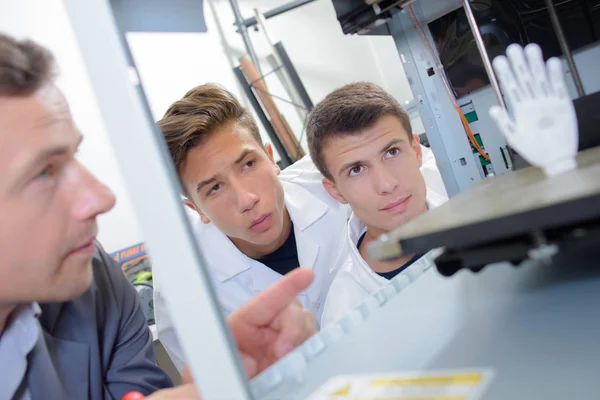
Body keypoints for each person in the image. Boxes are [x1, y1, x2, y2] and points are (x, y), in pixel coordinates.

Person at [0, 33, 315, 399]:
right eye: (44, 173)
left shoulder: (97, 282)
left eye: (74, 157)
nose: (103, 198)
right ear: (195, 207)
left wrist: (219, 390)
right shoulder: (173, 286)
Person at [153, 84, 351, 371]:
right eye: (215, 188)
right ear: (197, 210)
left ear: (271, 159)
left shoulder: (332, 176)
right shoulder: (183, 291)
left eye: (248, 164)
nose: (246, 199)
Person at [306, 82, 449, 327]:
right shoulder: (345, 314)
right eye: (357, 170)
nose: (386, 184)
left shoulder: (483, 214)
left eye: (392, 152)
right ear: (335, 191)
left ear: (416, 151)